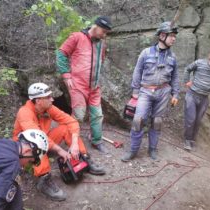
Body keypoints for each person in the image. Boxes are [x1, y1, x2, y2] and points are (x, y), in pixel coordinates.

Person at [12, 82, 106, 201]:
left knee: (65, 129)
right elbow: (36, 138)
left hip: (44, 139)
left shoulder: (48, 108)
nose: (52, 99)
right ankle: (43, 179)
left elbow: (71, 121)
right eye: (48, 97)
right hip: (25, 149)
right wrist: (60, 150)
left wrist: (75, 143)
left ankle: (84, 158)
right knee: (35, 146)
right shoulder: (25, 113)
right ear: (38, 100)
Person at [121, 21, 180, 162]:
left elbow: (175, 76)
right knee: (138, 120)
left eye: (174, 36)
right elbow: (137, 71)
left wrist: (175, 93)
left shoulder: (173, 57)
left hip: (163, 92)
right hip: (145, 91)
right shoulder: (146, 53)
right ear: (162, 35)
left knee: (157, 121)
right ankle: (133, 150)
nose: (174, 39)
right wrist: (135, 90)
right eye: (171, 36)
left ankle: (152, 149)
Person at [56, 16, 112, 154]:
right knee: (79, 115)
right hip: (78, 86)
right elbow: (61, 53)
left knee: (98, 115)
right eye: (103, 31)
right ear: (95, 26)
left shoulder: (101, 43)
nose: (104, 35)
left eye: (106, 33)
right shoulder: (76, 37)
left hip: (94, 86)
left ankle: (96, 140)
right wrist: (66, 74)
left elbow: (101, 60)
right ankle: (71, 139)